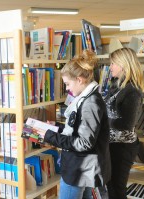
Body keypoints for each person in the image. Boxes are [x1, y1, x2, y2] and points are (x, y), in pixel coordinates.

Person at [42, 50, 111, 199]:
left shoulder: (90, 103)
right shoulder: (86, 98)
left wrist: (49, 136)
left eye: (67, 84)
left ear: (79, 80)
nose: (67, 89)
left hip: (79, 169)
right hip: (82, 168)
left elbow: (84, 143)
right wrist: (56, 127)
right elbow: (79, 129)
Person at [104, 47, 144, 199]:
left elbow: (127, 124)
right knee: (111, 187)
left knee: (117, 189)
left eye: (113, 63)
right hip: (111, 144)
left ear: (123, 65)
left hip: (123, 147)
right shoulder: (116, 86)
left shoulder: (132, 91)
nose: (110, 67)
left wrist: (103, 121)